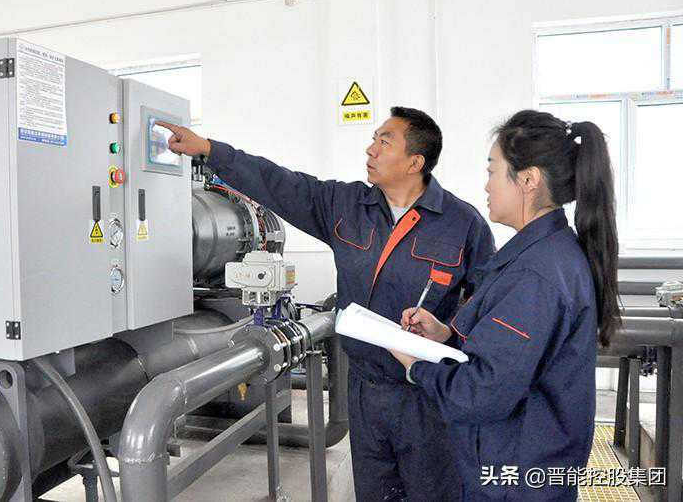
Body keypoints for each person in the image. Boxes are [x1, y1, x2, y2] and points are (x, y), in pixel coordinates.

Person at [157, 107, 495, 501]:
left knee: (432, 492)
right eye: (374, 139)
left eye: (384, 142)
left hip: (426, 394)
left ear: (414, 162)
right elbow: (279, 183)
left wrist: (449, 330)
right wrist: (209, 150)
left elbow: (487, 305)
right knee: (374, 492)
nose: (371, 149)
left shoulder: (462, 223)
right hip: (364, 390)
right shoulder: (345, 205)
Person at [391, 109, 621, 501]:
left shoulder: (537, 274)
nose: (486, 186)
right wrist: (447, 336)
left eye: (492, 171)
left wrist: (417, 367)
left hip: (514, 478)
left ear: (528, 180)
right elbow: (513, 356)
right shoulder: (543, 254)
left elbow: (480, 394)